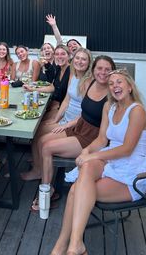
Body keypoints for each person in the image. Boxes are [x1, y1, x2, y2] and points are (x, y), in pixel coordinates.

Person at [51, 69, 146, 255]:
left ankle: (64, 246)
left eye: (119, 82)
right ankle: (73, 245)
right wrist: (87, 150)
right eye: (111, 83)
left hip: (132, 171)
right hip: (112, 161)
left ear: (130, 87)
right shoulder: (110, 107)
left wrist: (92, 156)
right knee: (88, 166)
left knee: (76, 190)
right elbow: (101, 140)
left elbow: (127, 149)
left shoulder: (137, 111)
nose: (115, 86)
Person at [29, 55, 116, 210]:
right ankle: (46, 179)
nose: (102, 72)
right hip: (79, 126)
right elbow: (83, 111)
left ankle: (46, 190)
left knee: (47, 147)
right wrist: (67, 123)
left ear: (112, 72)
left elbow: (128, 111)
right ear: (93, 70)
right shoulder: (91, 83)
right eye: (99, 68)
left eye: (107, 69)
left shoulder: (112, 92)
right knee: (42, 141)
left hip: (92, 136)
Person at [21, 48, 92, 182]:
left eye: (84, 59)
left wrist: (66, 124)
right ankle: (38, 169)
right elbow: (67, 99)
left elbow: (87, 111)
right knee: (37, 130)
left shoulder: (88, 81)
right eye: (77, 58)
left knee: (43, 140)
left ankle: (42, 173)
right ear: (73, 59)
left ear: (89, 63)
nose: (79, 61)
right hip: (67, 118)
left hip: (76, 125)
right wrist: (56, 119)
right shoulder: (74, 74)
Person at [25, 45, 71, 118]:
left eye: (63, 54)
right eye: (57, 54)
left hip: (66, 110)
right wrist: (33, 89)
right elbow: (53, 87)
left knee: (39, 123)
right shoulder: (59, 68)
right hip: (58, 104)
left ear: (69, 56)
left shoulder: (71, 71)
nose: (59, 56)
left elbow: (68, 99)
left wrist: (56, 118)